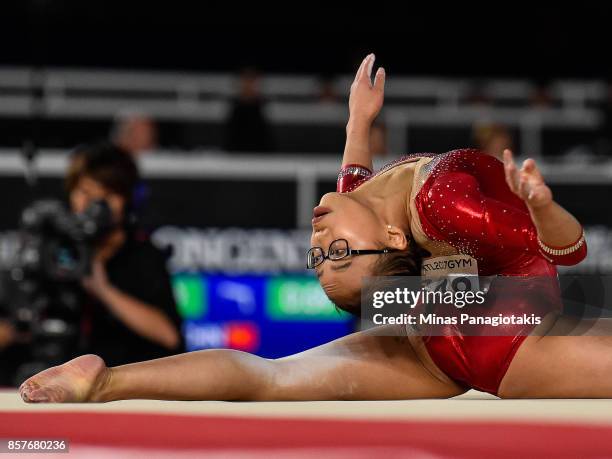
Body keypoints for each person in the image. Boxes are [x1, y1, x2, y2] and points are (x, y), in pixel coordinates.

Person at [20, 56, 612, 405]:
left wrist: (358, 121)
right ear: (395, 240)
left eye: (318, 256)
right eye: (335, 253)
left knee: (273, 378)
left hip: (442, 331)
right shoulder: (447, 208)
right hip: (502, 337)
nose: (316, 238)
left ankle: (107, 381)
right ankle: (105, 381)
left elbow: (353, 182)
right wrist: (540, 207)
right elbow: (566, 251)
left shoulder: (368, 207)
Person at [64, 143, 183, 366]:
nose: (95, 207)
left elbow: (169, 336)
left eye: (107, 195)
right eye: (86, 193)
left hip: (123, 388)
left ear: (128, 199)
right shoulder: (53, 248)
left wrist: (103, 290)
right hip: (50, 384)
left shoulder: (143, 255)